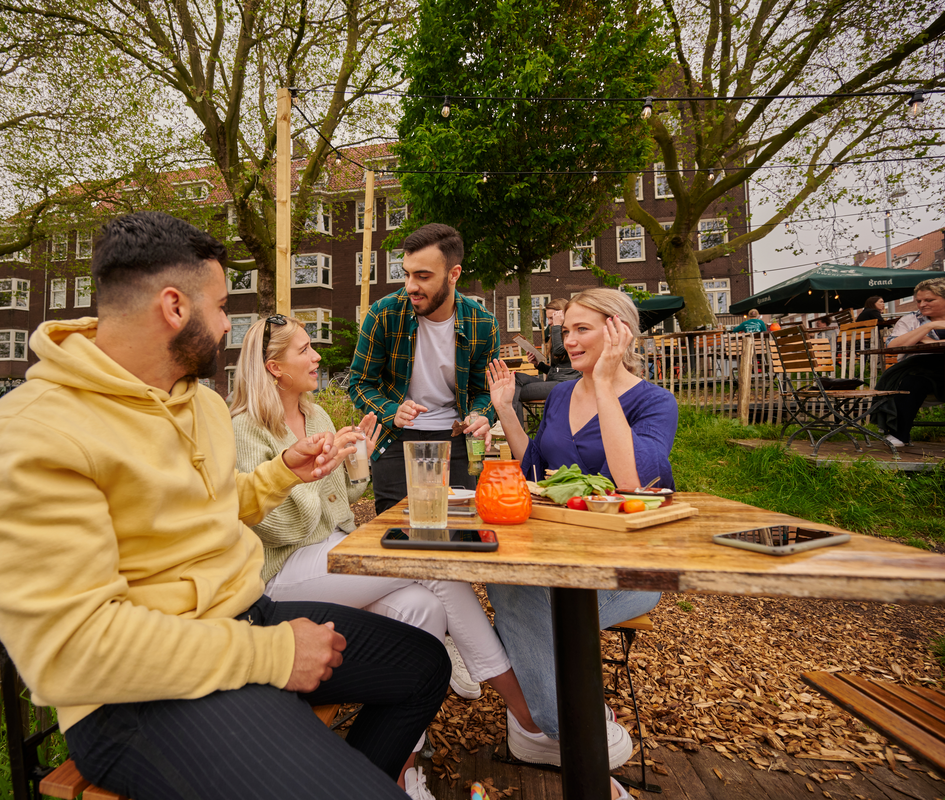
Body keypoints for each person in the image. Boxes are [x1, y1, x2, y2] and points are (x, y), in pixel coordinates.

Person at [0, 212, 451, 800]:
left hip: (244, 619)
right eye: (221, 309)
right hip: (134, 698)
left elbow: (208, 504)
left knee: (423, 665)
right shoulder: (28, 436)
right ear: (174, 307)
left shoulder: (199, 404)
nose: (228, 327)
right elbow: (77, 652)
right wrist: (271, 653)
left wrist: (278, 474)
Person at [231, 315, 544, 800]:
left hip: (332, 553)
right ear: (274, 367)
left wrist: (358, 466)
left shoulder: (316, 418)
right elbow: (271, 526)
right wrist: (309, 476)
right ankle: (527, 715)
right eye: (305, 349)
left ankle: (399, 764)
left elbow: (340, 500)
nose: (317, 356)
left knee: (426, 606)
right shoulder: (245, 429)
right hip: (281, 577)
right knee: (432, 566)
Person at [483, 288, 679, 788]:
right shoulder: (563, 394)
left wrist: (608, 383)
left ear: (618, 332)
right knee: (506, 581)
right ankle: (574, 729)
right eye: (565, 329)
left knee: (516, 598)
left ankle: (548, 722)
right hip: (557, 556)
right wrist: (506, 410)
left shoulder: (655, 401)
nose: (566, 340)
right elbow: (537, 475)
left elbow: (634, 480)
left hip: (628, 568)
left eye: (581, 329)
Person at [348, 223, 499, 516]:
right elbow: (359, 383)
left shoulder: (483, 322)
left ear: (453, 274)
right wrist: (393, 411)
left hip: (456, 441)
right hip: (394, 439)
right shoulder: (383, 313)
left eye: (423, 276)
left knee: (458, 530)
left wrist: (481, 415)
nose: (410, 286)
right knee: (396, 534)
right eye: (407, 274)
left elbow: (486, 391)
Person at [871, 277, 945, 447]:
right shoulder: (911, 320)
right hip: (924, 370)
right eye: (919, 301)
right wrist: (926, 328)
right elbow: (892, 345)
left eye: (929, 300)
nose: (922, 305)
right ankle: (900, 435)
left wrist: (933, 343)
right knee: (911, 382)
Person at [511, 297, 581, 425]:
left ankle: (515, 430)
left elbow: (560, 351)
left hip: (565, 384)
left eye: (551, 318)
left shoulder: (572, 335)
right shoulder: (557, 335)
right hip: (554, 381)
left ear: (561, 315)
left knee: (513, 393)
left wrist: (557, 326)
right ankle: (516, 429)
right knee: (515, 378)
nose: (549, 322)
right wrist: (538, 365)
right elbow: (556, 370)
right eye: (548, 318)